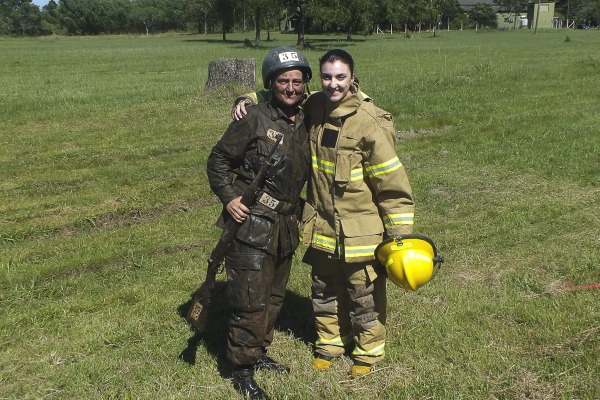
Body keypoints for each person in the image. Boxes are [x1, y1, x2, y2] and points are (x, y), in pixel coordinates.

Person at [233, 49, 415, 378]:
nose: (333, 84)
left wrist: (399, 234)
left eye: (340, 77)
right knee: (324, 288)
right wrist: (246, 97)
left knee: (363, 292)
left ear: (352, 78)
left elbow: (392, 183)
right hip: (321, 224)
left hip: (360, 228)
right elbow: (282, 92)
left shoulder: (369, 121)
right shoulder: (315, 105)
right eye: (328, 77)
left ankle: (368, 350)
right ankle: (330, 344)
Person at [206, 46, 312, 400]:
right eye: (284, 81)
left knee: (274, 297)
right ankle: (241, 369)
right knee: (250, 299)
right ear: (272, 83)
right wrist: (229, 197)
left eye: (298, 81)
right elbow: (219, 159)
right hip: (251, 223)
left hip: (286, 223)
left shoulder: (307, 117)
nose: (292, 88)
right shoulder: (253, 118)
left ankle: (258, 351)